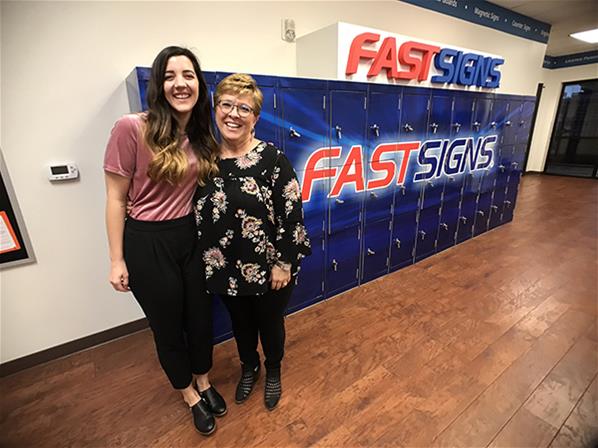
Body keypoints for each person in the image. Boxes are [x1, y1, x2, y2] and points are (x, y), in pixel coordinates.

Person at [104, 46, 226, 436]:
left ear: (198, 83)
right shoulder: (131, 127)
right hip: (148, 241)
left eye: (188, 75)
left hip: (189, 236)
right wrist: (116, 259)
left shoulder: (200, 133)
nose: (180, 83)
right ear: (158, 85)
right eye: (170, 76)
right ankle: (188, 393)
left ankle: (204, 381)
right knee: (168, 326)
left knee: (200, 318)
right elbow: (115, 198)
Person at [193, 73, 311, 411]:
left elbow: (292, 214)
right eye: (226, 105)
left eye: (243, 108)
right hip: (224, 269)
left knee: (269, 323)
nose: (233, 114)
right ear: (215, 110)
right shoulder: (204, 162)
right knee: (240, 324)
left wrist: (283, 263)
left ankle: (272, 368)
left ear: (255, 118)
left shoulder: (273, 160)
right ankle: (250, 367)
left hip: (269, 268)